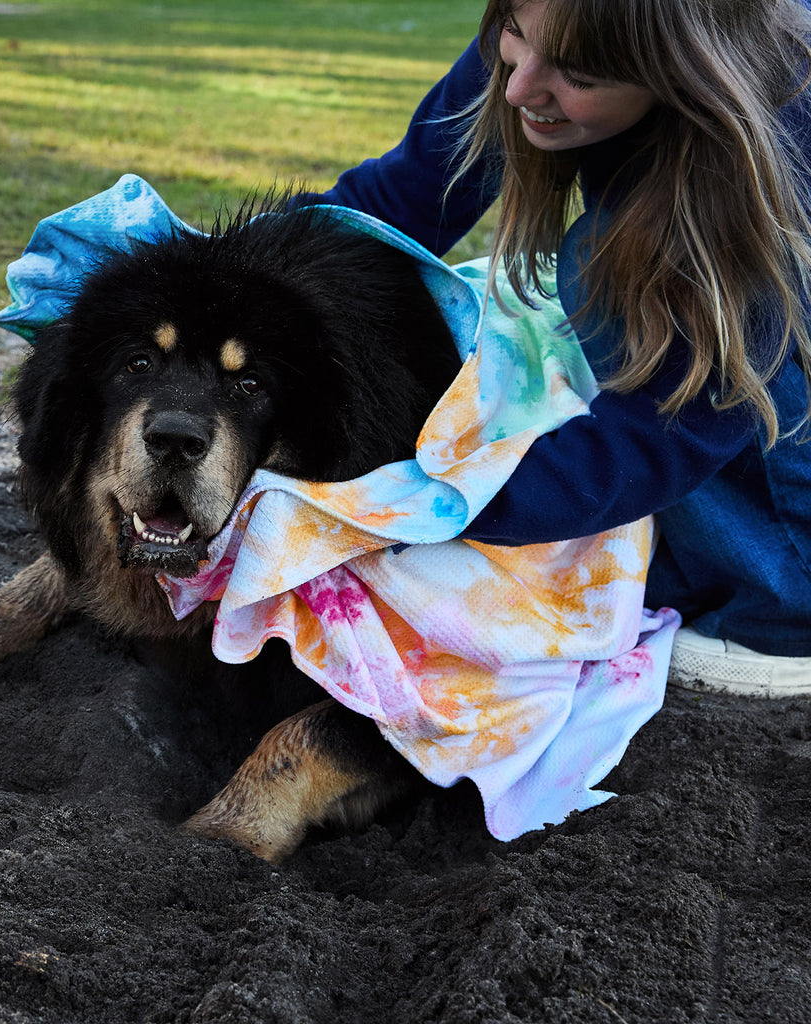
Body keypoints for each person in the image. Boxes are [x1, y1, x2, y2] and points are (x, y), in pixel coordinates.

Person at [304, 0, 811, 694]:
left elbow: (661, 433)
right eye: (513, 32)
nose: (517, 88)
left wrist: (441, 501)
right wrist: (234, 265)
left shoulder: (752, 162)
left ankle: (783, 605)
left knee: (610, 267)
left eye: (576, 73)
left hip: (757, 311)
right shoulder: (557, 24)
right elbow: (409, 193)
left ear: (680, 75)